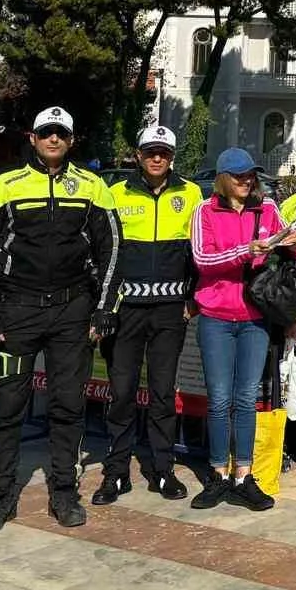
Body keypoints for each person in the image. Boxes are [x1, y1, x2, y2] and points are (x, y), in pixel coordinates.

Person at [0, 107, 122, 536]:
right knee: (9, 402)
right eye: (46, 133)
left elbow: (112, 250)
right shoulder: (3, 185)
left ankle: (64, 490)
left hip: (72, 312)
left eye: (61, 134)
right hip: (16, 311)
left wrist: (104, 307)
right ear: (32, 138)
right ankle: (1, 495)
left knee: (68, 404)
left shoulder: (93, 186)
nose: (53, 139)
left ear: (72, 141)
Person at [95, 124, 204, 505]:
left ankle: (162, 471)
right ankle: (117, 472)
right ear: (138, 155)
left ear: (172, 157)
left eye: (164, 153)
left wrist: (194, 297)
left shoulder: (191, 192)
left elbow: (198, 252)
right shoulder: (115, 193)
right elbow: (103, 254)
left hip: (171, 312)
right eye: (150, 152)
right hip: (126, 311)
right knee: (122, 393)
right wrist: (104, 305)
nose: (158, 158)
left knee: (162, 394)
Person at [188, 147, 296, 511]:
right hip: (216, 317)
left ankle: (243, 475)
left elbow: (283, 250)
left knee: (246, 398)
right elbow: (203, 260)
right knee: (219, 398)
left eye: (250, 174)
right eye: (239, 176)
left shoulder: (267, 208)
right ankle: (218, 473)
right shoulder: (204, 210)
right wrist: (245, 251)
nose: (247, 181)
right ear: (222, 178)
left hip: (255, 317)